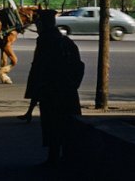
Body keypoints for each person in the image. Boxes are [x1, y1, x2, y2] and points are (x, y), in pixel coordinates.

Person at [28, 9, 84, 166]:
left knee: (52, 125)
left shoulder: (45, 42)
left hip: (51, 91)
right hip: (68, 91)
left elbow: (38, 68)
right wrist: (73, 85)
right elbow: (79, 66)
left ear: (43, 24)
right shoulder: (66, 41)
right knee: (67, 125)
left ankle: (53, 159)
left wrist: (34, 94)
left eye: (38, 23)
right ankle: (68, 157)